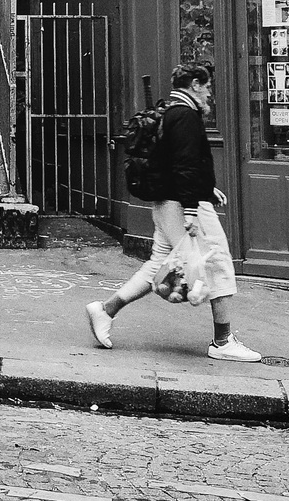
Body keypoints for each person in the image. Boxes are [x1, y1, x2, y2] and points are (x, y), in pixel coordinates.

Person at [85, 63, 262, 362]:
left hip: (166, 204)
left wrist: (206, 188)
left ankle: (105, 310)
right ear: (194, 84)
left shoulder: (169, 110)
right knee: (217, 263)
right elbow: (186, 165)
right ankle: (222, 341)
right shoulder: (186, 115)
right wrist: (193, 209)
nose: (209, 94)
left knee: (158, 265)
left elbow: (179, 164)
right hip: (183, 205)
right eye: (206, 87)